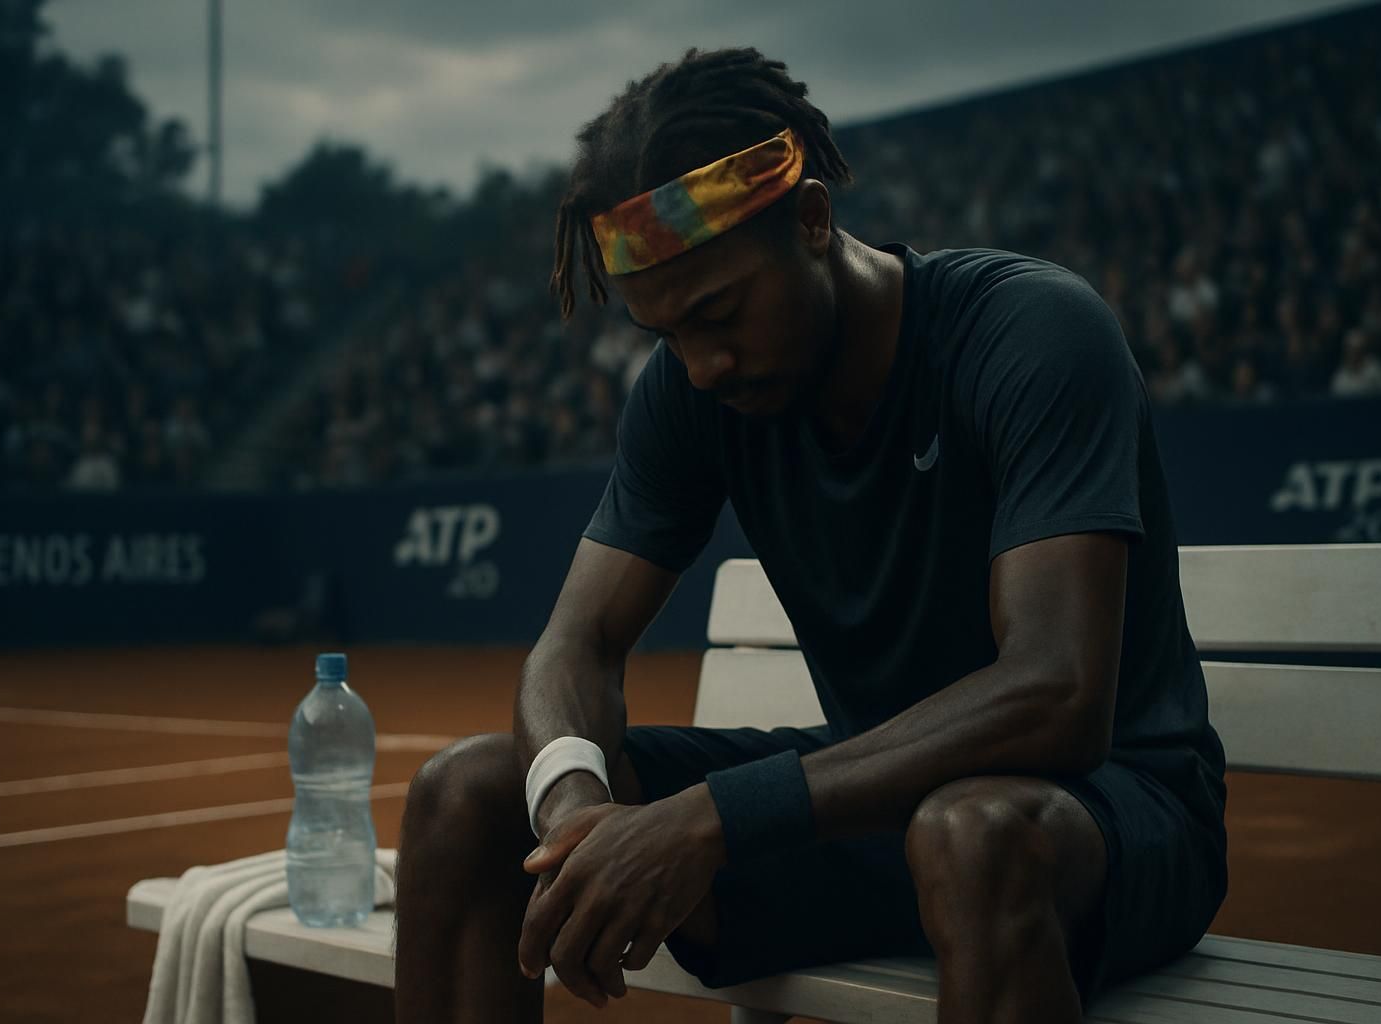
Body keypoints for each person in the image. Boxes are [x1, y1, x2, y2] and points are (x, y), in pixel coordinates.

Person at [393, 46, 1227, 1024]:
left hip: (1106, 811)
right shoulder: (692, 394)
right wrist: (573, 813)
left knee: (974, 835)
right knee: (468, 794)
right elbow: (574, 646)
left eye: (719, 312)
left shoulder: (1031, 332)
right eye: (667, 336)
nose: (702, 365)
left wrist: (709, 819)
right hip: (878, 807)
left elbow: (1056, 692)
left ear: (813, 219)